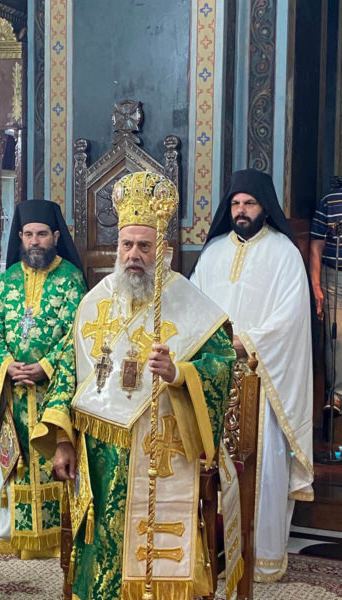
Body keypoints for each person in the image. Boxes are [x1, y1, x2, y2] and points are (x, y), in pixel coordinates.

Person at [36, 172, 236, 599]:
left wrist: (178, 373)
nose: (134, 255)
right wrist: (64, 441)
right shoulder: (95, 300)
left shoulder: (187, 301)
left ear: (162, 250)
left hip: (158, 444)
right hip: (99, 453)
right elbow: (68, 372)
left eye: (144, 246)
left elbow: (221, 365)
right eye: (127, 245)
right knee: (100, 547)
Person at [190, 168, 314, 582]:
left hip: (263, 380)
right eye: (236, 204)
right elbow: (193, 306)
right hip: (215, 377)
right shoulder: (213, 253)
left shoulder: (284, 253)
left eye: (250, 203)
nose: (241, 211)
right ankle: (212, 554)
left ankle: (261, 558)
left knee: (264, 469)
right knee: (209, 466)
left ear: (265, 207)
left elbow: (290, 317)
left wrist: (249, 342)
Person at [0, 199, 87, 559]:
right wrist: (7, 364)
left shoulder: (71, 279)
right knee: (20, 463)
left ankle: (56, 537)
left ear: (55, 236)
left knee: (52, 457)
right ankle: (20, 534)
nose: (35, 241)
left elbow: (76, 333)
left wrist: (46, 366)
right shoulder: (7, 280)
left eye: (41, 234)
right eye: (28, 235)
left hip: (52, 391)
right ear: (20, 237)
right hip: (13, 393)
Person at [310, 176, 342, 414]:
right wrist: (316, 284)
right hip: (334, 276)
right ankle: (337, 395)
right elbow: (317, 245)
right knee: (337, 336)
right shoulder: (330, 201)